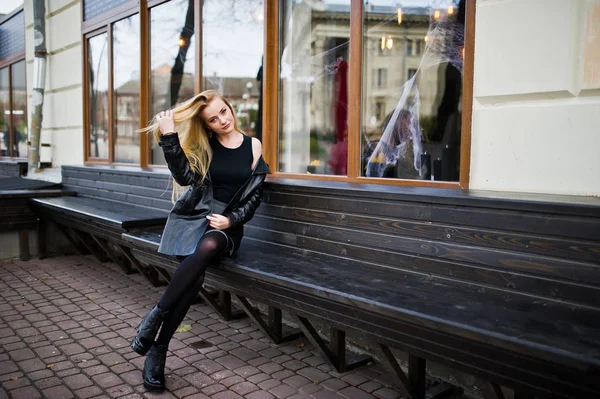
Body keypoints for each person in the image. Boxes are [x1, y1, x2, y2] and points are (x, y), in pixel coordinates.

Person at [130, 89, 270, 391]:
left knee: (209, 245)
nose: (222, 119)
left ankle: (153, 321)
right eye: (213, 118)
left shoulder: (253, 146)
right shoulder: (206, 147)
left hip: (226, 227)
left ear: (230, 108)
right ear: (206, 125)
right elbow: (183, 176)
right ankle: (157, 349)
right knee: (192, 281)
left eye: (224, 111)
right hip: (196, 221)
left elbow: (255, 195)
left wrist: (232, 219)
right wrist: (169, 137)